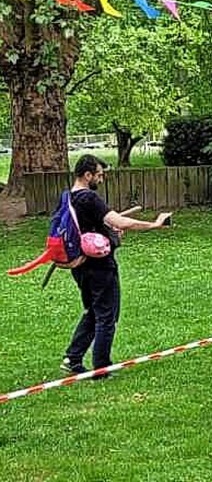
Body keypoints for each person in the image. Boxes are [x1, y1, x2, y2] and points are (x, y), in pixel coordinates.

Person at [61, 155, 172, 376]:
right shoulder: (89, 198)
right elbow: (121, 221)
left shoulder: (67, 198)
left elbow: (89, 227)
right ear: (88, 174)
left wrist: (108, 232)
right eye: (99, 175)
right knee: (107, 316)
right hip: (99, 267)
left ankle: (72, 358)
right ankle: (102, 368)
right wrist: (154, 224)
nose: (101, 180)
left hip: (79, 266)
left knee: (94, 311)